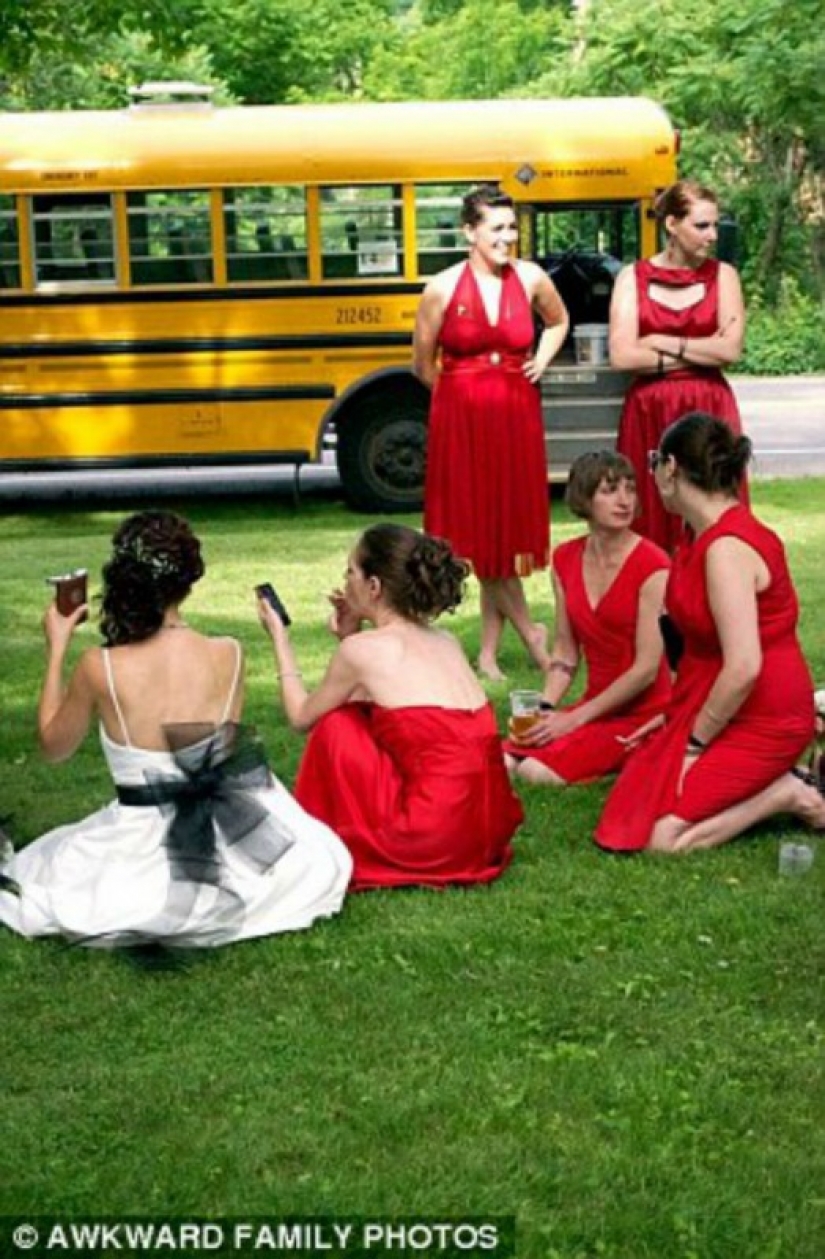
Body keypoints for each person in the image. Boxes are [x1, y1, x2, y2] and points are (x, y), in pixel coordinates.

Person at [0, 511, 351, 947]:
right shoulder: (231, 652)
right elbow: (222, 758)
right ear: (188, 582)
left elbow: (54, 747)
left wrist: (56, 649)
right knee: (314, 864)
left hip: (141, 833)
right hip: (224, 829)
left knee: (52, 873)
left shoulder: (101, 666)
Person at [595, 413, 822, 854]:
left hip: (765, 716)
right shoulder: (698, 536)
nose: (652, 473)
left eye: (654, 461)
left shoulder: (725, 548)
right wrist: (672, 718)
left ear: (672, 468)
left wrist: (694, 743)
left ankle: (788, 792)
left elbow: (743, 666)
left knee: (661, 838)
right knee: (634, 795)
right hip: (721, 703)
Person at [257, 523, 522, 890]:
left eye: (351, 571)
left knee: (336, 724)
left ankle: (331, 834)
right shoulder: (445, 640)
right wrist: (350, 636)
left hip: (431, 838)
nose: (345, 582)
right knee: (354, 715)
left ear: (374, 586)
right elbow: (379, 696)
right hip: (482, 834)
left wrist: (280, 640)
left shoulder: (363, 652)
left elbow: (302, 717)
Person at [413, 184, 569, 681]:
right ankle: (533, 638)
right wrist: (461, 401)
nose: (508, 237)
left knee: (500, 537)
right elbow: (421, 364)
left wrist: (540, 360)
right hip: (461, 422)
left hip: (517, 416)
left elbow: (559, 321)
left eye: (512, 228)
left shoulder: (530, 278)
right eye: (496, 228)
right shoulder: (440, 288)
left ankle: (485, 654)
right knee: (476, 538)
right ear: (470, 232)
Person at [503, 451, 671, 785]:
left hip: (643, 710)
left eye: (630, 489)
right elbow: (566, 653)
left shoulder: (654, 565)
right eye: (609, 490)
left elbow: (646, 671)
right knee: (504, 758)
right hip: (595, 705)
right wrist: (546, 709)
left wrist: (574, 720)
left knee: (535, 772)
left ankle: (637, 757)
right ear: (584, 499)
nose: (624, 500)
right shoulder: (566, 558)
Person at [609, 180, 746, 552]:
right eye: (702, 226)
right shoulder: (631, 278)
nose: (713, 235)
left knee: (716, 507)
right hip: (649, 410)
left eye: (715, 225)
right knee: (652, 509)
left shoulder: (724, 276)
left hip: (710, 405)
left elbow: (730, 350)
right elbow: (622, 355)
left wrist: (665, 341)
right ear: (671, 224)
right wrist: (703, 348)